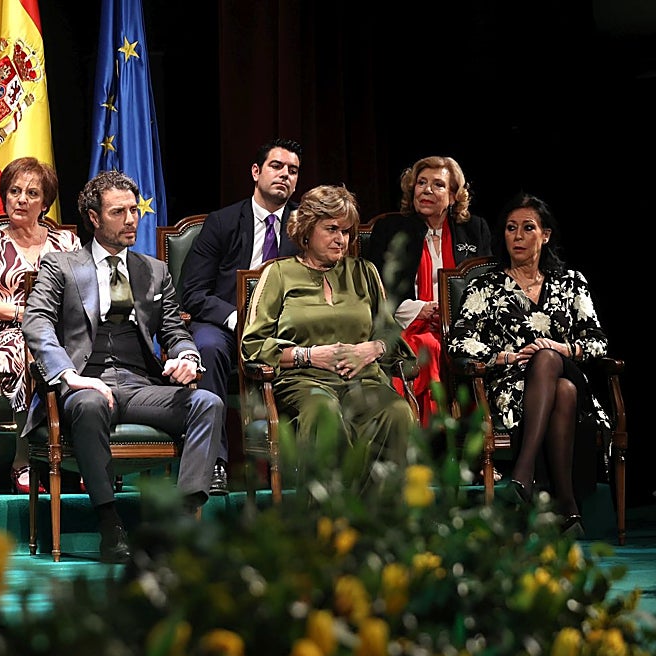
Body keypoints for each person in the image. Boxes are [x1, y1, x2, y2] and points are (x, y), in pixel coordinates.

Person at [22, 171, 224, 566]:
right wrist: (68, 375)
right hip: (85, 381)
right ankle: (109, 523)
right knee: (88, 404)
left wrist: (186, 356)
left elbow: (174, 328)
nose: (132, 219)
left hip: (139, 383)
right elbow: (37, 321)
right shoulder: (60, 266)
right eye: (119, 212)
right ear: (95, 218)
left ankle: (181, 522)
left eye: (134, 210)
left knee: (209, 403)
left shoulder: (154, 270)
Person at [448, 193, 609, 535]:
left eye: (528, 228)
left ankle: (521, 477)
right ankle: (568, 509)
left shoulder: (571, 282)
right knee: (562, 391)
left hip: (567, 368)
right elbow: (458, 342)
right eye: (510, 228)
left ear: (545, 235)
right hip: (511, 388)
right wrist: (504, 356)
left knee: (550, 359)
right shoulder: (485, 287)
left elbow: (597, 342)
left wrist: (561, 348)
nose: (518, 236)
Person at [240, 185, 415, 486]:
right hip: (303, 382)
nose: (341, 239)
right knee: (325, 413)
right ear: (307, 230)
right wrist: (309, 355)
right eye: (332, 229)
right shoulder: (279, 274)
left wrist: (371, 349)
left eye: (346, 232)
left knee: (396, 412)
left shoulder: (365, 272)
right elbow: (253, 345)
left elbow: (389, 332)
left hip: (363, 380)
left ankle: (382, 520)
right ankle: (331, 523)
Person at [180, 139, 303, 494]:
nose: (284, 175)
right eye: (276, 166)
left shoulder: (302, 226)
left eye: (292, 171)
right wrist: (236, 319)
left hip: (284, 327)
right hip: (224, 325)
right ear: (256, 172)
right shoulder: (222, 222)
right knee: (207, 348)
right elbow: (194, 293)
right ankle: (213, 463)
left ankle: (301, 462)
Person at [0, 156, 79, 493]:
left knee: (86, 353)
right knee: (28, 352)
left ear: (45, 203)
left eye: (31, 193)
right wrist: (19, 314)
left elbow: (87, 292)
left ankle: (81, 453)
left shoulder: (66, 245)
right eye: (14, 191)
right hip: (7, 334)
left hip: (61, 333)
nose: (21, 199)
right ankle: (23, 459)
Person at [364, 155, 493, 425]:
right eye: (421, 183)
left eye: (438, 185)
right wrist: (419, 309)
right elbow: (374, 287)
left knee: (446, 345)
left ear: (455, 195)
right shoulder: (390, 229)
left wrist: (451, 313)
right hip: (405, 323)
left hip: (460, 325)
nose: (426, 190)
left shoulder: (473, 230)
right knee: (428, 346)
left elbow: (484, 284)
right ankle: (429, 434)